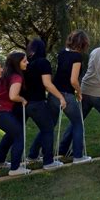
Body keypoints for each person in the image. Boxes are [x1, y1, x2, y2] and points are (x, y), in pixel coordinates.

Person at [0, 51, 32, 176]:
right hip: (1, 111)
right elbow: (13, 96)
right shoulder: (17, 77)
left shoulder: (3, 72)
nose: (27, 63)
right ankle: (15, 169)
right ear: (17, 63)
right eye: (24, 61)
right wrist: (23, 99)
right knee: (19, 134)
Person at [21, 38, 66, 169]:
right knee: (48, 129)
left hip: (23, 102)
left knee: (16, 132)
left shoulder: (25, 63)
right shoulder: (43, 63)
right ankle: (48, 161)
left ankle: (31, 155)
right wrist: (61, 97)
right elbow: (47, 84)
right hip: (36, 102)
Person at [50, 30, 92, 164]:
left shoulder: (62, 53)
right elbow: (73, 80)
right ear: (83, 43)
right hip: (66, 94)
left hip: (54, 92)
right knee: (78, 123)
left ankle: (34, 154)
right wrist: (79, 92)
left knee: (49, 125)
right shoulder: (77, 57)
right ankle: (78, 156)